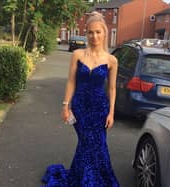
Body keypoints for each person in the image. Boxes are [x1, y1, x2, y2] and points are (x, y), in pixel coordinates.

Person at [41, 11, 120, 187]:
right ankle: (88, 180)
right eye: (90, 32)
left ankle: (85, 179)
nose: (94, 36)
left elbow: (112, 89)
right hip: (80, 107)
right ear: (87, 34)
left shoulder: (112, 60)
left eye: (98, 32)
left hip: (100, 108)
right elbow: (71, 82)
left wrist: (111, 113)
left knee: (97, 145)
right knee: (87, 143)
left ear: (104, 33)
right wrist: (65, 105)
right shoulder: (78, 55)